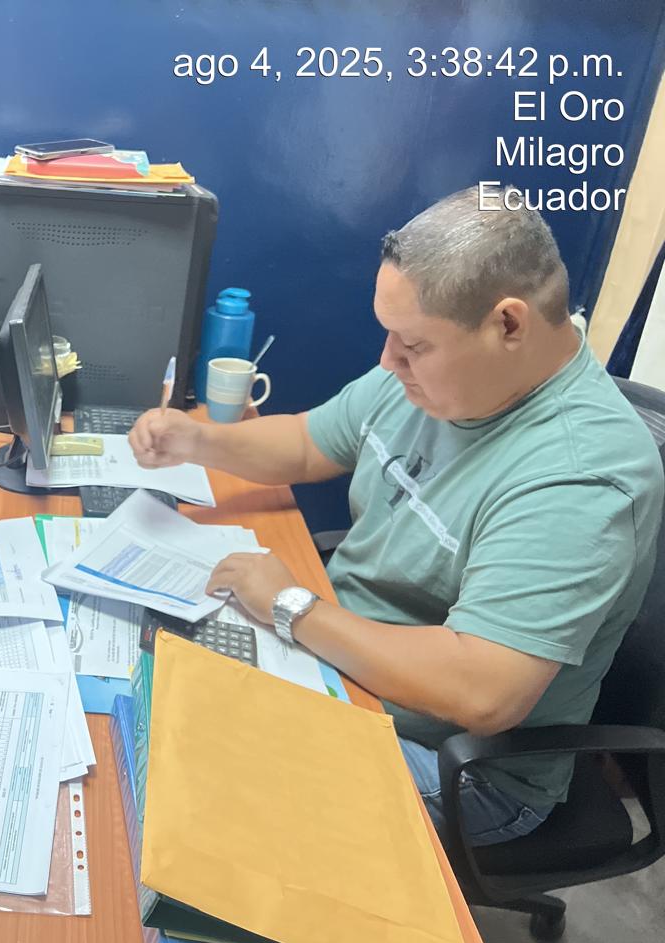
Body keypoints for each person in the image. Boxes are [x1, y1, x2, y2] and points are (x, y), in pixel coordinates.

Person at [130, 186, 663, 846]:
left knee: (195, 789)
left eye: (413, 344)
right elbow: (308, 442)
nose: (389, 361)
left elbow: (483, 692)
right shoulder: (440, 376)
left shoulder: (581, 475)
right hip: (342, 658)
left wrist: (294, 609)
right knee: (148, 682)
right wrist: (198, 440)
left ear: (509, 325)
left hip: (463, 768)